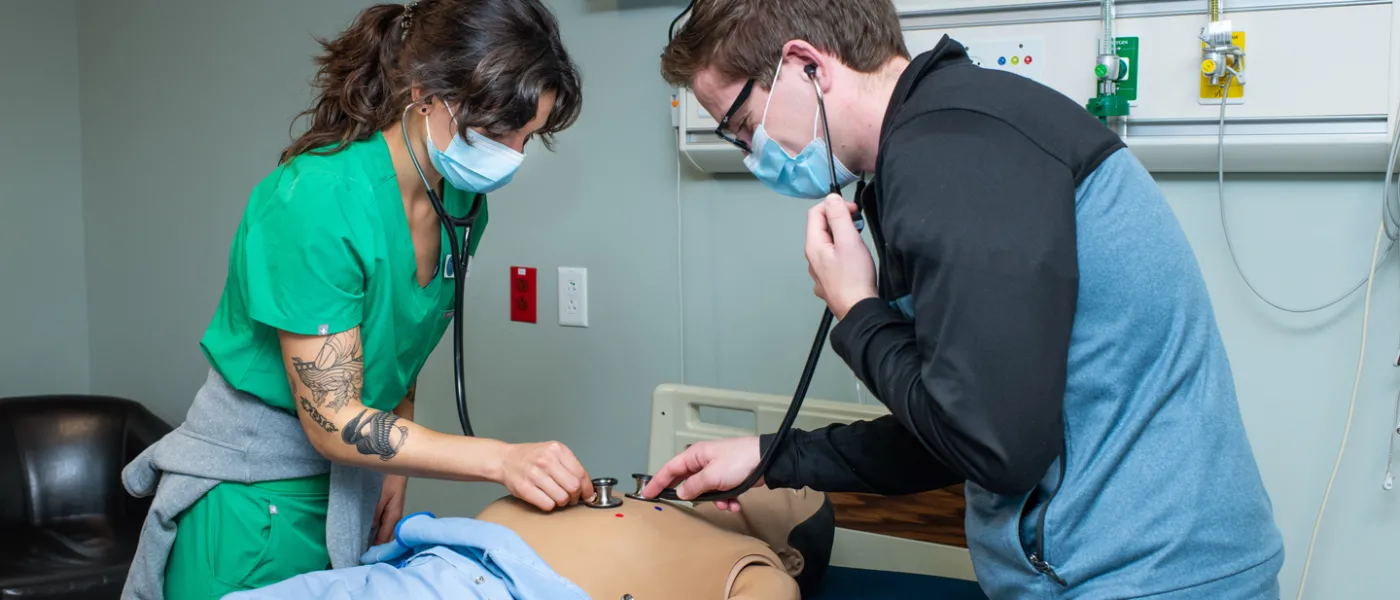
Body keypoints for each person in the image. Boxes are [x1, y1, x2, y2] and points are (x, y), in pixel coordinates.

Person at [643, 1, 1286, 598]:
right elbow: (957, 420)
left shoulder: (954, 156)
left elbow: (993, 449)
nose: (751, 153)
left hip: (1147, 577)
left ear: (808, 65)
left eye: (743, 124)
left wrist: (859, 312)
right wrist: (772, 457)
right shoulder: (947, 138)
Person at [120, 2, 591, 599]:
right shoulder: (318, 199)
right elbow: (332, 418)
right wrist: (501, 460)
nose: (514, 156)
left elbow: (402, 343)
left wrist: (392, 464)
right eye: (499, 132)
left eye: (530, 136)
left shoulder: (463, 206)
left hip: (354, 482)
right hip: (255, 501)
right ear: (425, 92)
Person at [221, 486, 836, 600]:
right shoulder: (655, 503)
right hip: (428, 564)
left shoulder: (759, 566)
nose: (769, 473)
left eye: (793, 487)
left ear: (793, 549)